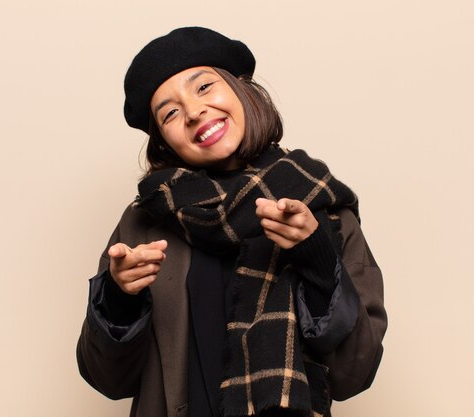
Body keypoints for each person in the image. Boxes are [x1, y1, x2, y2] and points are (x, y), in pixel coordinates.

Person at [76, 27, 387, 417]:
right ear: (164, 140)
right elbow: (108, 381)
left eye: (204, 87)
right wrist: (120, 297)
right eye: (170, 112)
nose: (193, 112)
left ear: (242, 89)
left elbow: (354, 374)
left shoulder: (321, 209)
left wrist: (318, 259)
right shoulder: (144, 223)